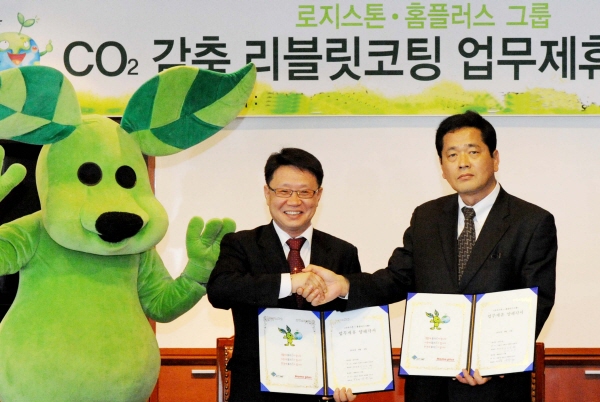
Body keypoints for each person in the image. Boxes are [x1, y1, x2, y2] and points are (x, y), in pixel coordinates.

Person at [304, 111, 557, 402]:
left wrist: (496, 362)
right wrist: (345, 285)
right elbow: (397, 278)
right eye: (452, 155)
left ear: (495, 158)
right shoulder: (427, 217)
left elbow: (537, 301)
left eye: (473, 151)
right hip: (429, 388)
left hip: (495, 389)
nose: (463, 162)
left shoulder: (531, 222)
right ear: (442, 167)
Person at [207, 148, 361, 402]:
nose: (294, 201)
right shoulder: (241, 244)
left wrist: (349, 379)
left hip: (322, 394)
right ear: (267, 193)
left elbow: (353, 320)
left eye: (304, 192)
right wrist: (289, 282)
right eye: (284, 191)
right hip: (255, 393)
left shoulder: (342, 252)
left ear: (318, 196)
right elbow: (219, 291)